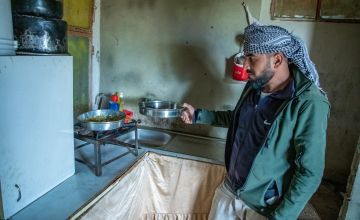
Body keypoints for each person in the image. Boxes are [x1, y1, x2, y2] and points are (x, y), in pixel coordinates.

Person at [181, 22, 330, 220]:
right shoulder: (256, 85)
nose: (245, 66)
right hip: (231, 189)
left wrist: (282, 216)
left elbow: (310, 172)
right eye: (245, 57)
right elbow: (238, 118)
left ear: (277, 60)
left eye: (252, 58)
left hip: (264, 206)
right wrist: (198, 115)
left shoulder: (308, 103)